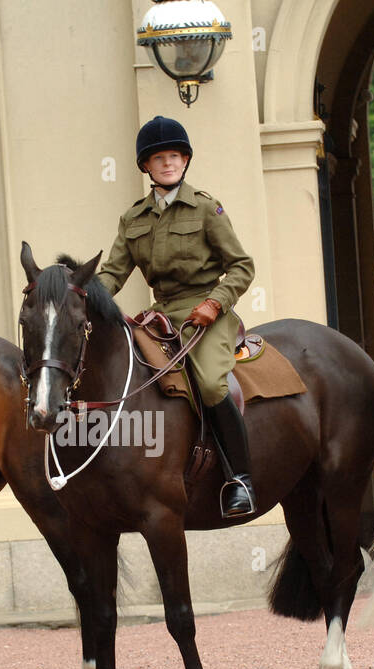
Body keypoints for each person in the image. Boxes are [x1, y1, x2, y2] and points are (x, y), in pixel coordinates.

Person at [96, 116, 257, 518]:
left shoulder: (206, 208)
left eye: (174, 156)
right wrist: (78, 294)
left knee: (208, 382)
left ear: (184, 161)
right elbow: (113, 273)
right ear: (146, 167)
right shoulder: (133, 220)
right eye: (158, 158)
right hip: (161, 314)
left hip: (208, 312)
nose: (168, 163)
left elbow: (241, 266)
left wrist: (215, 303)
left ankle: (241, 478)